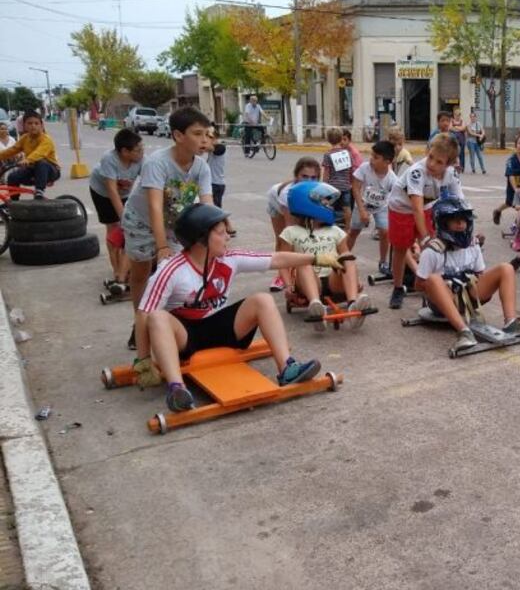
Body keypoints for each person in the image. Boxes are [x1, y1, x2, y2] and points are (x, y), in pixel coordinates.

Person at [139, 203, 339, 411]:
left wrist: (317, 258)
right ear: (201, 239)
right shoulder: (171, 269)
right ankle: (177, 389)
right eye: (221, 232)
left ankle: (287, 368)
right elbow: (144, 312)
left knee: (262, 300)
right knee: (157, 317)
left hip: (222, 329)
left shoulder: (230, 259)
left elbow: (276, 259)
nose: (228, 237)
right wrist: (143, 359)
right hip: (185, 336)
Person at [122, 107, 213, 361]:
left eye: (206, 133)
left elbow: (207, 203)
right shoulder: (157, 162)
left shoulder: (201, 167)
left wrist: (216, 230)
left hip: (172, 223)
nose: (204, 139)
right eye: (197, 133)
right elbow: (153, 206)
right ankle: (138, 324)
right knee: (141, 274)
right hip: (141, 221)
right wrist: (161, 247)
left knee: (170, 275)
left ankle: (166, 325)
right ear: (178, 135)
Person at [415, 197, 520, 353]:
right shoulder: (433, 251)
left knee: (506, 268)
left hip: (470, 299)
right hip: (442, 303)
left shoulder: (472, 245)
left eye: (464, 220)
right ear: (442, 223)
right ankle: (464, 332)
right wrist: (443, 286)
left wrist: (470, 284)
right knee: (434, 279)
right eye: (455, 221)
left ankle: (511, 322)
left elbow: (480, 275)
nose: (461, 224)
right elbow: (419, 284)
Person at [386, 133, 463, 309]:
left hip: (426, 208)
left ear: (449, 164)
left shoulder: (451, 173)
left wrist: (466, 229)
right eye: (431, 158)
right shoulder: (417, 172)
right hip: (401, 209)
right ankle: (398, 287)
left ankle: (432, 286)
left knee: (434, 249)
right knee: (401, 249)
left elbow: (460, 201)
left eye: (439, 162)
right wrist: (426, 238)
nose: (432, 164)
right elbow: (416, 208)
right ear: (427, 151)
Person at [281, 181, 370, 329]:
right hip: (308, 281)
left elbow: (346, 257)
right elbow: (283, 262)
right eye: (324, 201)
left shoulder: (335, 231)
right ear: (307, 203)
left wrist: (355, 280)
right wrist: (288, 285)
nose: (328, 205)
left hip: (333, 279)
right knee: (303, 261)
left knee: (347, 257)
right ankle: (316, 306)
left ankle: (353, 304)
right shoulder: (291, 232)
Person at [90, 128, 144, 295]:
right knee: (115, 228)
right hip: (103, 193)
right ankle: (117, 271)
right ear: (124, 151)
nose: (142, 152)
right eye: (138, 150)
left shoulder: (141, 160)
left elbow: (151, 182)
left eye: (142, 148)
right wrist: (124, 217)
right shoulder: (109, 159)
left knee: (128, 231)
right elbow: (112, 191)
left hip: (126, 194)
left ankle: (124, 270)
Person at [266, 158, 322, 292]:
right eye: (304, 176)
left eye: (313, 177)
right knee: (283, 240)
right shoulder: (287, 195)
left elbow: (318, 226)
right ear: (296, 176)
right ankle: (281, 276)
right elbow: (290, 231)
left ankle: (308, 273)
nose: (309, 181)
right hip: (276, 203)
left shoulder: (320, 191)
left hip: (302, 204)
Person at [349, 140, 398, 274]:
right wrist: (362, 210)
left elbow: (396, 198)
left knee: (385, 232)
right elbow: (356, 187)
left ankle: (383, 262)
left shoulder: (392, 179)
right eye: (372, 155)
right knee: (354, 231)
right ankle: (343, 257)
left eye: (376, 157)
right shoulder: (365, 168)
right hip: (363, 203)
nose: (371, 159)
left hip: (381, 206)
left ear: (387, 162)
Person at [0, 110, 60, 198]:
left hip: (50, 171)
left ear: (41, 125)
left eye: (36, 123)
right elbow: (11, 150)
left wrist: (28, 160)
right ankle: (13, 203)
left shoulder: (46, 140)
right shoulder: (24, 138)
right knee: (12, 177)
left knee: (41, 162)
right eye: (29, 123)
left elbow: (39, 153)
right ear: (24, 126)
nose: (33, 126)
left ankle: (39, 192)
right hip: (31, 170)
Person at [492, 135, 520, 226]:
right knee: (509, 203)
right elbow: (511, 175)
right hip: (514, 184)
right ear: (515, 146)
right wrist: (516, 189)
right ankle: (497, 211)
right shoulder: (511, 160)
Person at [321, 127, 354, 229]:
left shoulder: (328, 154)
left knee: (329, 207)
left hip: (332, 187)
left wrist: (324, 185)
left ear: (328, 140)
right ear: (341, 138)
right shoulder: (347, 153)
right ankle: (347, 227)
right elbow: (350, 169)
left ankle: (331, 226)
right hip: (345, 185)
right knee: (346, 207)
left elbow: (327, 172)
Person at [449, 106, 468, 172]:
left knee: (461, 154)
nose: (458, 116)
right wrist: (459, 128)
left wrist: (456, 127)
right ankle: (454, 166)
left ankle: (462, 167)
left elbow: (463, 128)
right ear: (454, 115)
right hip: (454, 140)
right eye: (456, 115)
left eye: (459, 115)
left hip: (462, 140)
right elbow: (450, 128)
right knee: (454, 153)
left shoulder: (462, 121)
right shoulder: (451, 121)